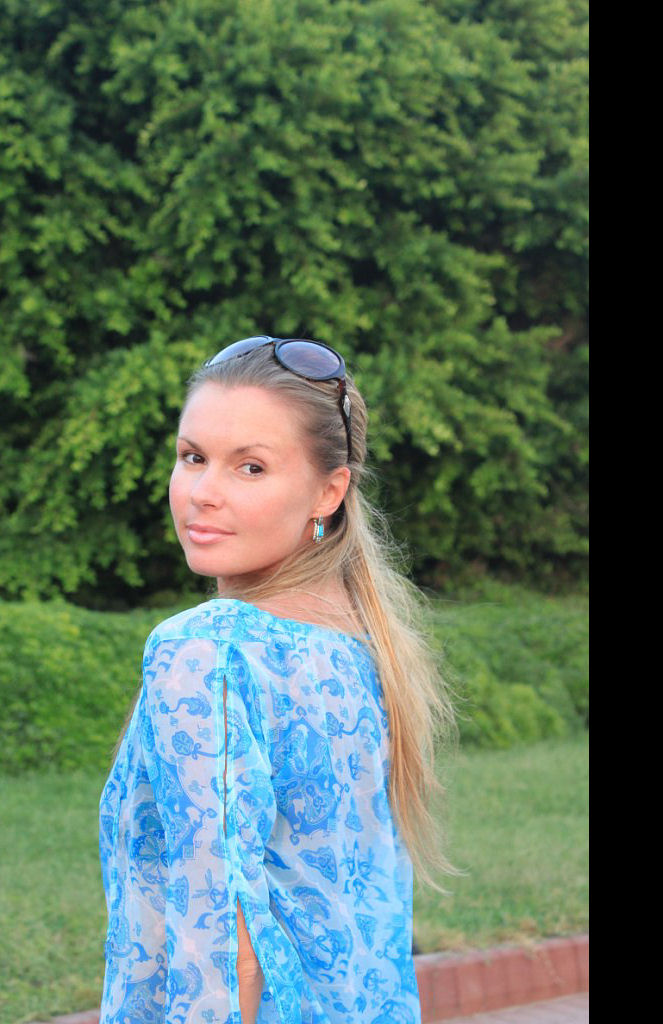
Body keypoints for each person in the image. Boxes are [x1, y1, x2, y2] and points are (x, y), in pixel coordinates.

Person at [98, 336, 456, 1024]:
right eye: (192, 457)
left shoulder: (206, 650)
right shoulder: (364, 647)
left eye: (251, 467)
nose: (203, 493)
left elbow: (225, 952)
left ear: (329, 491)